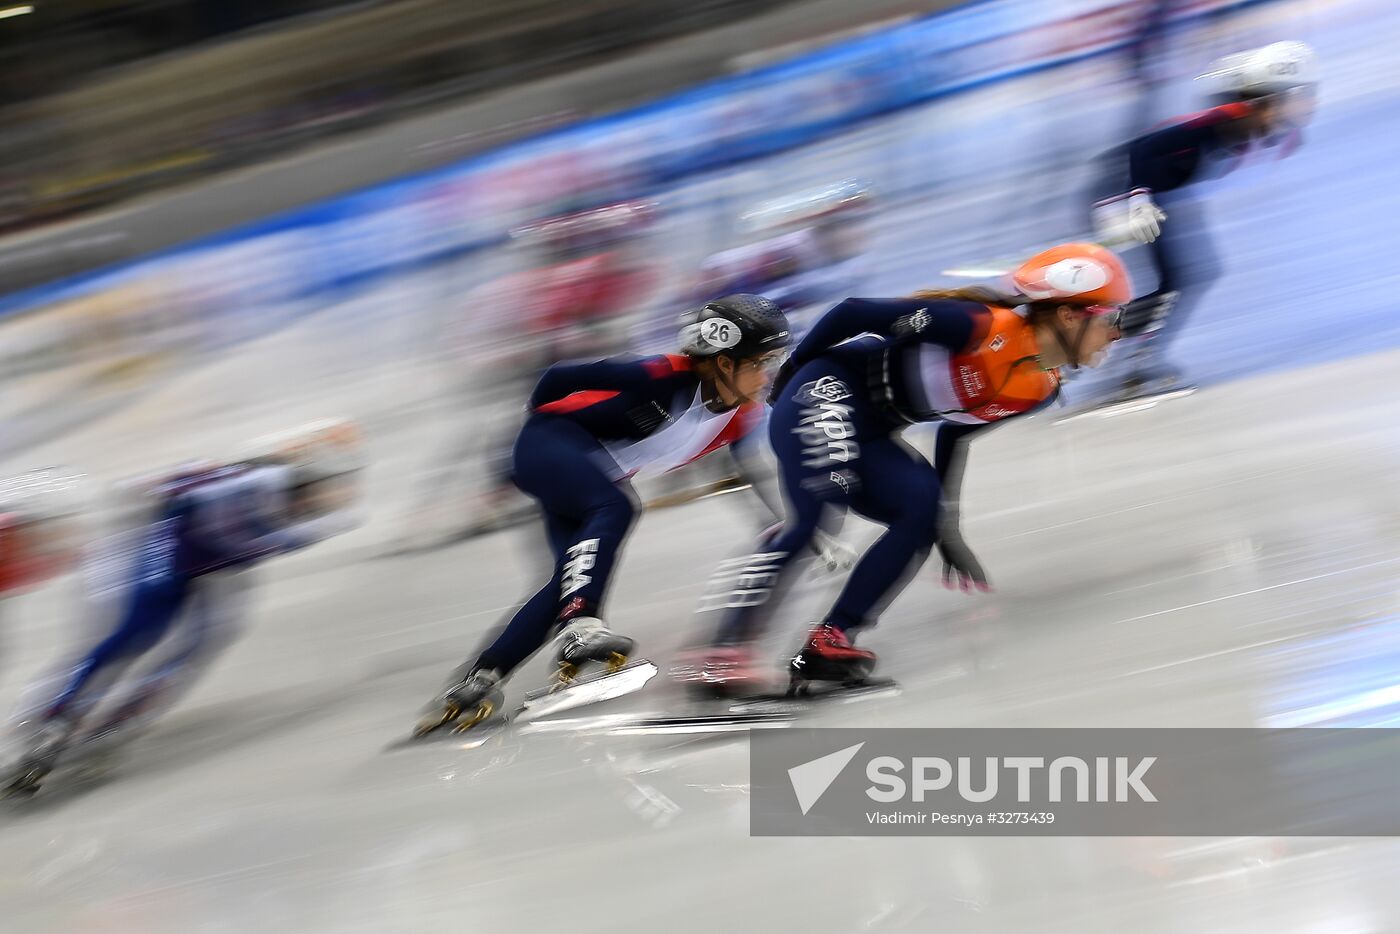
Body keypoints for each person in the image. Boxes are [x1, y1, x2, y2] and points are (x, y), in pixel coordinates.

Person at [679, 244, 1130, 694]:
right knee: (819, 510)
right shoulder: (976, 326)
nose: (1116, 334)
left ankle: (828, 641)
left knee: (921, 510)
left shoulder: (1039, 389)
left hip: (874, 432)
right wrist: (791, 373)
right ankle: (722, 652)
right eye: (1111, 318)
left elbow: (957, 431)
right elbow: (852, 313)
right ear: (1069, 315)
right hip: (827, 389)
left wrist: (946, 528)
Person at [415, 294, 801, 735]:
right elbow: (555, 377)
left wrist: (781, 521)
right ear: (724, 362)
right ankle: (581, 627)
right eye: (760, 362)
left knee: (567, 578)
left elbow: (744, 470)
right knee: (616, 507)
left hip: (593, 472)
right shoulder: (661, 375)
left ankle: (480, 679)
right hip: (549, 444)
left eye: (774, 360)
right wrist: (536, 434)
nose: (767, 374)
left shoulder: (739, 416)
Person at [3, 419, 364, 796]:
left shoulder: (258, 488)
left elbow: (236, 542)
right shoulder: (250, 485)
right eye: (317, 491)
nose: (317, 502)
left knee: (206, 636)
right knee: (134, 635)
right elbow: (229, 536)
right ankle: (53, 717)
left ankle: (106, 718)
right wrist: (301, 535)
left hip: (200, 560)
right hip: (170, 554)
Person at [1089, 40, 1316, 394]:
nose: (1312, 103)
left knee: (1188, 277)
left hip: (1159, 193)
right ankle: (1096, 343)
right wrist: (1136, 198)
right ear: (1270, 99)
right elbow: (1143, 149)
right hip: (1123, 188)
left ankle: (1128, 354)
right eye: (1304, 93)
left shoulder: (1278, 131)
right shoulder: (1226, 121)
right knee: (1178, 277)